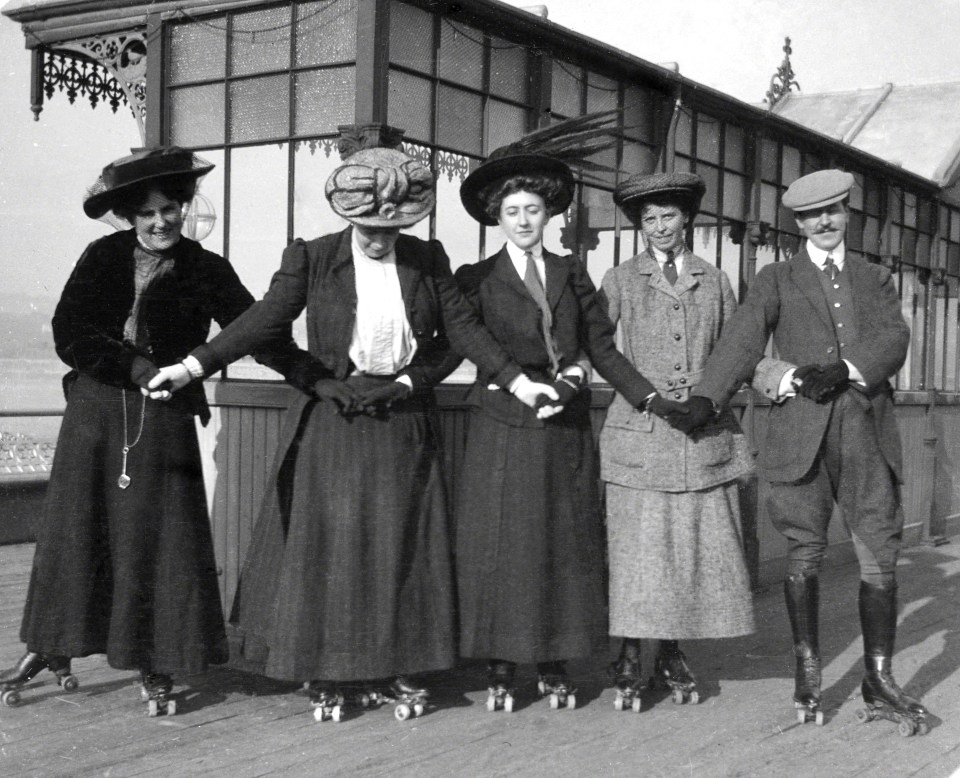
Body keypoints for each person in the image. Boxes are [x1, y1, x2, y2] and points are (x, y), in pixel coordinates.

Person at [146, 129, 558, 722]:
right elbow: (262, 323)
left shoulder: (427, 259)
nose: (379, 238)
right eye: (368, 228)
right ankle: (330, 672)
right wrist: (190, 367)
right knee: (333, 550)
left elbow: (463, 331)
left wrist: (508, 382)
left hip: (401, 420)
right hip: (334, 419)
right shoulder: (311, 257)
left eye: (391, 230)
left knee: (400, 548)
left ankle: (397, 669)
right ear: (347, 216)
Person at [0, 147, 258, 715]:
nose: (161, 221)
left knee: (158, 541)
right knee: (75, 531)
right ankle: (52, 645)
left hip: (163, 419)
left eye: (170, 209)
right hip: (95, 411)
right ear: (130, 217)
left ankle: (157, 659)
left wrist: (310, 371)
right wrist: (131, 367)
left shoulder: (206, 268)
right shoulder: (101, 256)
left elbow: (251, 326)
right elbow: (70, 330)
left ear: (184, 208)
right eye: (147, 214)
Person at [453, 121, 688, 712]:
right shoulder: (474, 280)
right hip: (502, 424)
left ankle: (555, 661)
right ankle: (502, 664)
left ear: (549, 215)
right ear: (496, 218)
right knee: (504, 546)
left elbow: (602, 346)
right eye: (512, 211)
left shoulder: (571, 273)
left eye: (533, 209)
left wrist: (646, 397)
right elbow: (466, 342)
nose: (524, 220)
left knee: (560, 543)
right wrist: (516, 381)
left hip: (563, 426)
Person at [689, 169, 928, 733]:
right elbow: (744, 339)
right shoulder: (775, 278)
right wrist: (706, 397)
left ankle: (878, 676)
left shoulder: (874, 278)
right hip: (798, 436)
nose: (824, 222)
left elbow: (893, 339)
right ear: (797, 223)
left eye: (834, 211)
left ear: (848, 214)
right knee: (805, 551)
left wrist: (844, 370)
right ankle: (808, 671)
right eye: (811, 215)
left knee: (880, 551)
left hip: (867, 434)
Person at [598, 171, 756, 712]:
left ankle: (670, 651)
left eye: (668, 216)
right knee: (638, 554)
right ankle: (626, 654)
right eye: (649, 219)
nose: (660, 227)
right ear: (638, 227)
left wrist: (708, 399)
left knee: (687, 553)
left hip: (699, 434)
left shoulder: (715, 280)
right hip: (641, 433)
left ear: (687, 218)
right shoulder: (620, 279)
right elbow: (598, 347)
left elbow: (736, 349)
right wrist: (646, 396)